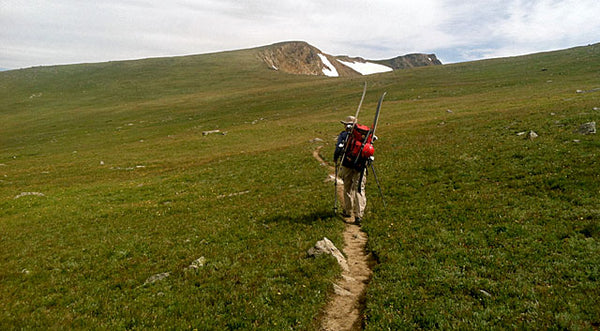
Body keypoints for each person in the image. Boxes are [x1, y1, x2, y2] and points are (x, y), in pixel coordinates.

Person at [333, 115, 367, 225]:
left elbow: (338, 148)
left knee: (347, 187)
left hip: (347, 164)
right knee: (359, 188)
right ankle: (359, 215)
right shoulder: (363, 135)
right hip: (360, 165)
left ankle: (348, 211)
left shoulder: (344, 135)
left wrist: (335, 158)